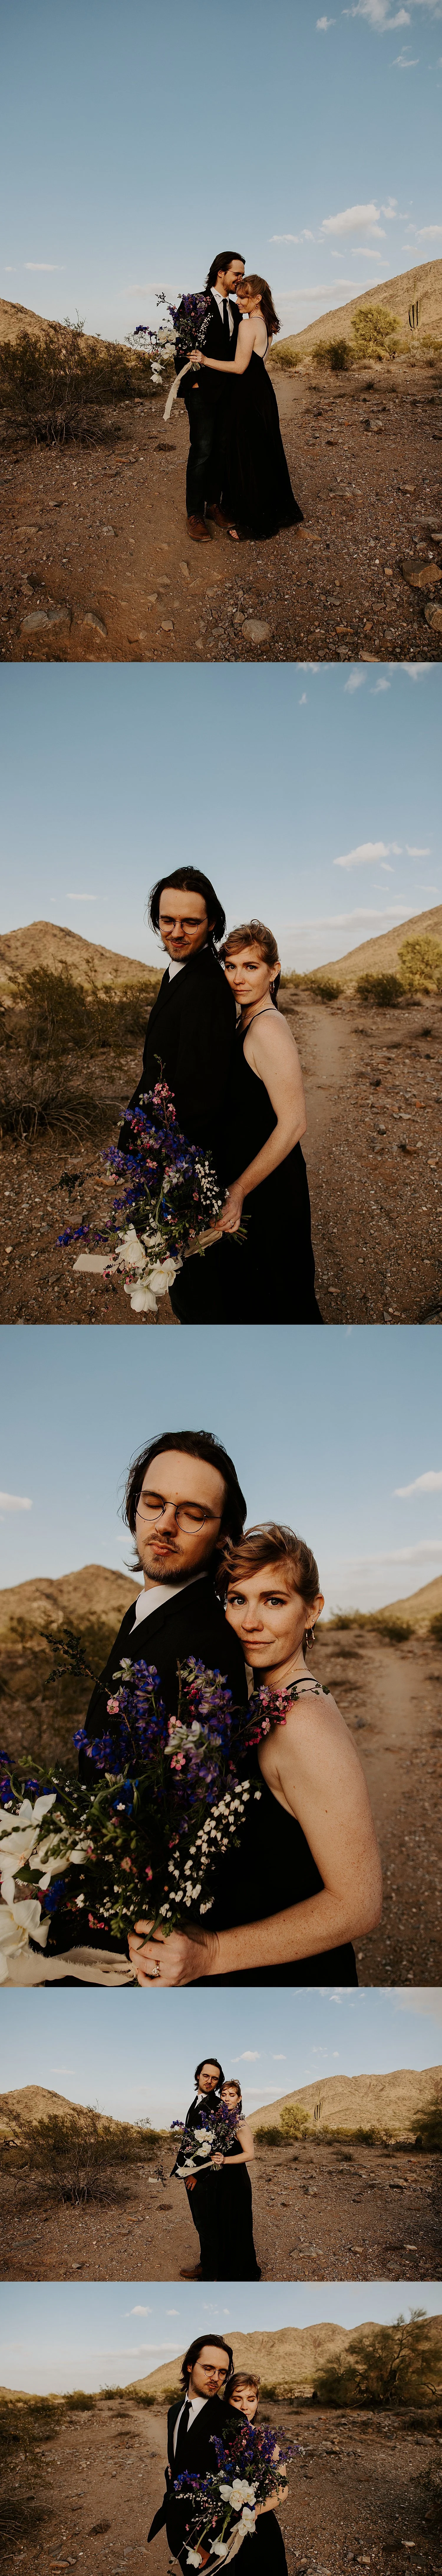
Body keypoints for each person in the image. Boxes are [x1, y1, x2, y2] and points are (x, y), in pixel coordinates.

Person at [128, 1523, 382, 1987]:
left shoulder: (304, 1722)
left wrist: (212, 1954)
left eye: (274, 1601)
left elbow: (359, 1905)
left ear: (313, 1611)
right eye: (237, 1599)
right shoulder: (267, 1703)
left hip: (293, 1983)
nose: (250, 1622)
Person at [118, 866, 237, 1324]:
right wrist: (128, 1146)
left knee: (198, 1288)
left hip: (185, 1163)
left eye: (191, 922)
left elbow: (202, 1095)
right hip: (166, 1154)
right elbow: (158, 1072)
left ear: (212, 924)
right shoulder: (179, 972)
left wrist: (168, 1175)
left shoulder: (207, 985)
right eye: (168, 920)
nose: (177, 931)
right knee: (185, 1279)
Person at [212, 919, 321, 1324]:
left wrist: (239, 1190)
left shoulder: (269, 1027)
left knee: (281, 1301)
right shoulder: (244, 1019)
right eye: (231, 966)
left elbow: (294, 1124)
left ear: (274, 971)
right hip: (251, 1178)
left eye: (251, 967)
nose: (238, 978)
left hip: (269, 1188)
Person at [192, 273, 303, 541]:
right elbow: (257, 365)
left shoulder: (248, 325)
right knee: (262, 452)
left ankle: (255, 520)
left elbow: (240, 367)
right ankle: (268, 509)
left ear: (258, 299)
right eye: (238, 296)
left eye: (244, 297)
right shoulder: (267, 325)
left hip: (246, 395)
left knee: (247, 456)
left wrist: (205, 360)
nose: (239, 301)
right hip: (262, 393)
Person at [173, 251, 245, 541]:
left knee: (222, 449)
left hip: (230, 391)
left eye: (242, 275)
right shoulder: (194, 303)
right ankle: (195, 513)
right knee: (202, 450)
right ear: (221, 273)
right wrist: (192, 383)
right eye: (237, 274)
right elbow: (180, 345)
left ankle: (214, 504)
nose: (241, 279)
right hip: (201, 390)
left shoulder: (237, 308)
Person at [148, 2335, 234, 2570]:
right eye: (208, 2368)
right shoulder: (174, 2411)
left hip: (207, 2538)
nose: (216, 2378)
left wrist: (207, 2543)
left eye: (222, 2372)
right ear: (189, 2366)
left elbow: (236, 2486)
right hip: (177, 2528)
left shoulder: (231, 2418)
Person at [225, 2371, 289, 2576]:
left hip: (257, 2527)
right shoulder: (216, 2440)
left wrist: (252, 2512)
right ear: (227, 2401)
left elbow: (282, 2491)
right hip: (222, 2527)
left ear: (257, 2402)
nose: (245, 2407)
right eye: (237, 2399)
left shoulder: (268, 2444)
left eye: (251, 2399)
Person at [171, 2055, 226, 2280]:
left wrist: (197, 2176)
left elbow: (216, 2146)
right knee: (203, 2223)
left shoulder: (217, 2106)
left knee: (206, 2224)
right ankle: (210, 2266)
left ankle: (210, 2272)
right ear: (198, 2076)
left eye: (215, 2078)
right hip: (191, 2172)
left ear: (219, 2081)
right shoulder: (198, 2101)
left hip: (203, 2178)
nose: (210, 2080)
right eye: (206, 2075)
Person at [213, 2079, 260, 2280]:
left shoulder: (240, 2123)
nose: (227, 2099)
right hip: (220, 2180)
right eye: (224, 2095)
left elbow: (250, 2154)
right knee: (223, 2224)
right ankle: (223, 2268)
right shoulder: (220, 2121)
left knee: (237, 2224)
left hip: (236, 2181)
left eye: (232, 2095)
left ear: (239, 2099)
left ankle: (241, 2273)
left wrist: (225, 2160)